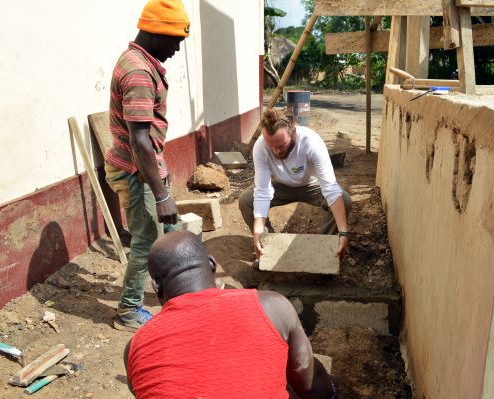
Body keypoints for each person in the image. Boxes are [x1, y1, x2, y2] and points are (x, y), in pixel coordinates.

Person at [124, 231, 335, 399]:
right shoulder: (271, 306)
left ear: (155, 286)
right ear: (213, 265)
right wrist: (334, 390)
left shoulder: (135, 348)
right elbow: (313, 387)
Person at [104, 0, 190, 331]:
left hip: (148, 167)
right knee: (147, 240)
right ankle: (128, 311)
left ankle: (179, 293)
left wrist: (162, 181)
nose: (176, 49)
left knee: (172, 231)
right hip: (136, 171)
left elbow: (147, 138)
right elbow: (139, 140)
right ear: (156, 33)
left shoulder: (142, 62)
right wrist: (161, 193)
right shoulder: (138, 71)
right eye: (175, 41)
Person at [238, 109, 352, 262]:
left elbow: (330, 188)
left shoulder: (311, 142)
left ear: (293, 132)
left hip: (311, 184)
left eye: (281, 145)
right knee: (246, 199)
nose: (276, 151)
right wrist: (258, 231)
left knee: (343, 199)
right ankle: (270, 248)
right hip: (280, 185)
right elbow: (263, 192)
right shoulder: (260, 147)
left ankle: (322, 249)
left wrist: (343, 233)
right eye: (270, 146)